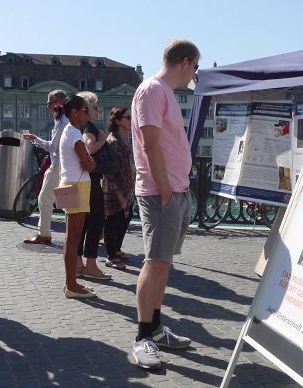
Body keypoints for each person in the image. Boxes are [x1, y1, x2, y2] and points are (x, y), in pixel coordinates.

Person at [131, 39, 200, 369]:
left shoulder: (164, 94)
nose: (194, 75)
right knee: (155, 262)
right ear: (185, 62)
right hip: (163, 193)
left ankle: (155, 328)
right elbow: (150, 144)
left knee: (163, 263)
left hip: (174, 191)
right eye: (195, 68)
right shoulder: (152, 90)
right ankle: (143, 337)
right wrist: (166, 190)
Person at [58, 95, 96, 298]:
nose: (87, 113)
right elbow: (89, 164)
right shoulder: (74, 134)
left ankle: (71, 282)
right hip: (77, 186)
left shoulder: (69, 131)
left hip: (69, 183)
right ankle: (71, 285)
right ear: (74, 112)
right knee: (73, 238)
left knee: (70, 238)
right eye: (84, 109)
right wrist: (91, 162)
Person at [75, 91, 113, 279]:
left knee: (83, 224)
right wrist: (103, 139)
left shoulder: (80, 126)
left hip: (83, 181)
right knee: (96, 223)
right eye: (95, 107)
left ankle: (78, 264)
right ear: (86, 109)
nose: (98, 110)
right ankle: (90, 265)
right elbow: (88, 149)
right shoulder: (89, 128)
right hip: (91, 182)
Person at [22, 90, 68, 245]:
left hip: (58, 165)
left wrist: (35, 139)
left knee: (45, 198)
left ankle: (44, 234)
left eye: (50, 102)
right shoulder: (64, 119)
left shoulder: (62, 121)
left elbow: (53, 147)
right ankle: (75, 236)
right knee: (67, 202)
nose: (48, 106)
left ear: (60, 103)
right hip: (65, 165)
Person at [102, 107, 134, 267]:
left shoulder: (125, 138)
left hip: (126, 187)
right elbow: (109, 172)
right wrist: (120, 195)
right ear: (118, 121)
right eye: (128, 118)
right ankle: (111, 256)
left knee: (125, 218)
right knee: (112, 220)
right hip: (114, 189)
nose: (131, 120)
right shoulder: (112, 142)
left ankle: (117, 248)